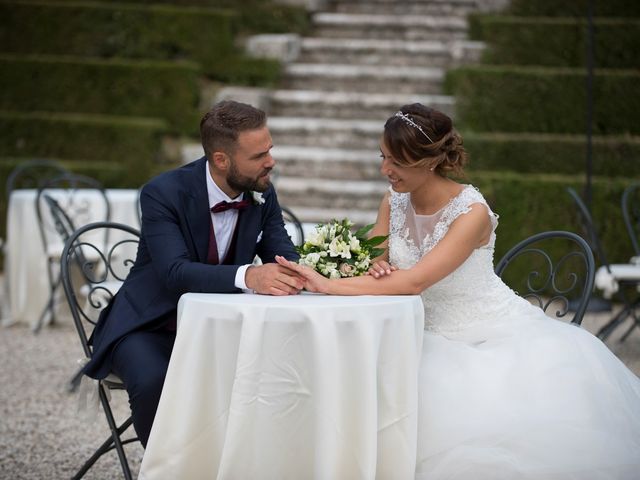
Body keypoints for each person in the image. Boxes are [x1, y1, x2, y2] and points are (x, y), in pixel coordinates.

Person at [276, 103, 640, 479]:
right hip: (413, 327)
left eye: (397, 163)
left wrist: (327, 285)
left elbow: (415, 281)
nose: (386, 171)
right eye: (383, 157)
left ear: (429, 162)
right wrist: (372, 265)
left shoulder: (471, 213)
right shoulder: (393, 200)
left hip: (487, 336)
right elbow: (377, 260)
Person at [83, 100, 303, 446]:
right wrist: (249, 276)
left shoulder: (262, 192)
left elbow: (285, 256)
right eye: (259, 155)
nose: (270, 162)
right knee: (154, 380)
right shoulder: (163, 193)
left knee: (281, 378)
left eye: (269, 150)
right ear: (221, 159)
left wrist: (323, 271)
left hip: (223, 330)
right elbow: (174, 272)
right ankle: (167, 467)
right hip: (151, 325)